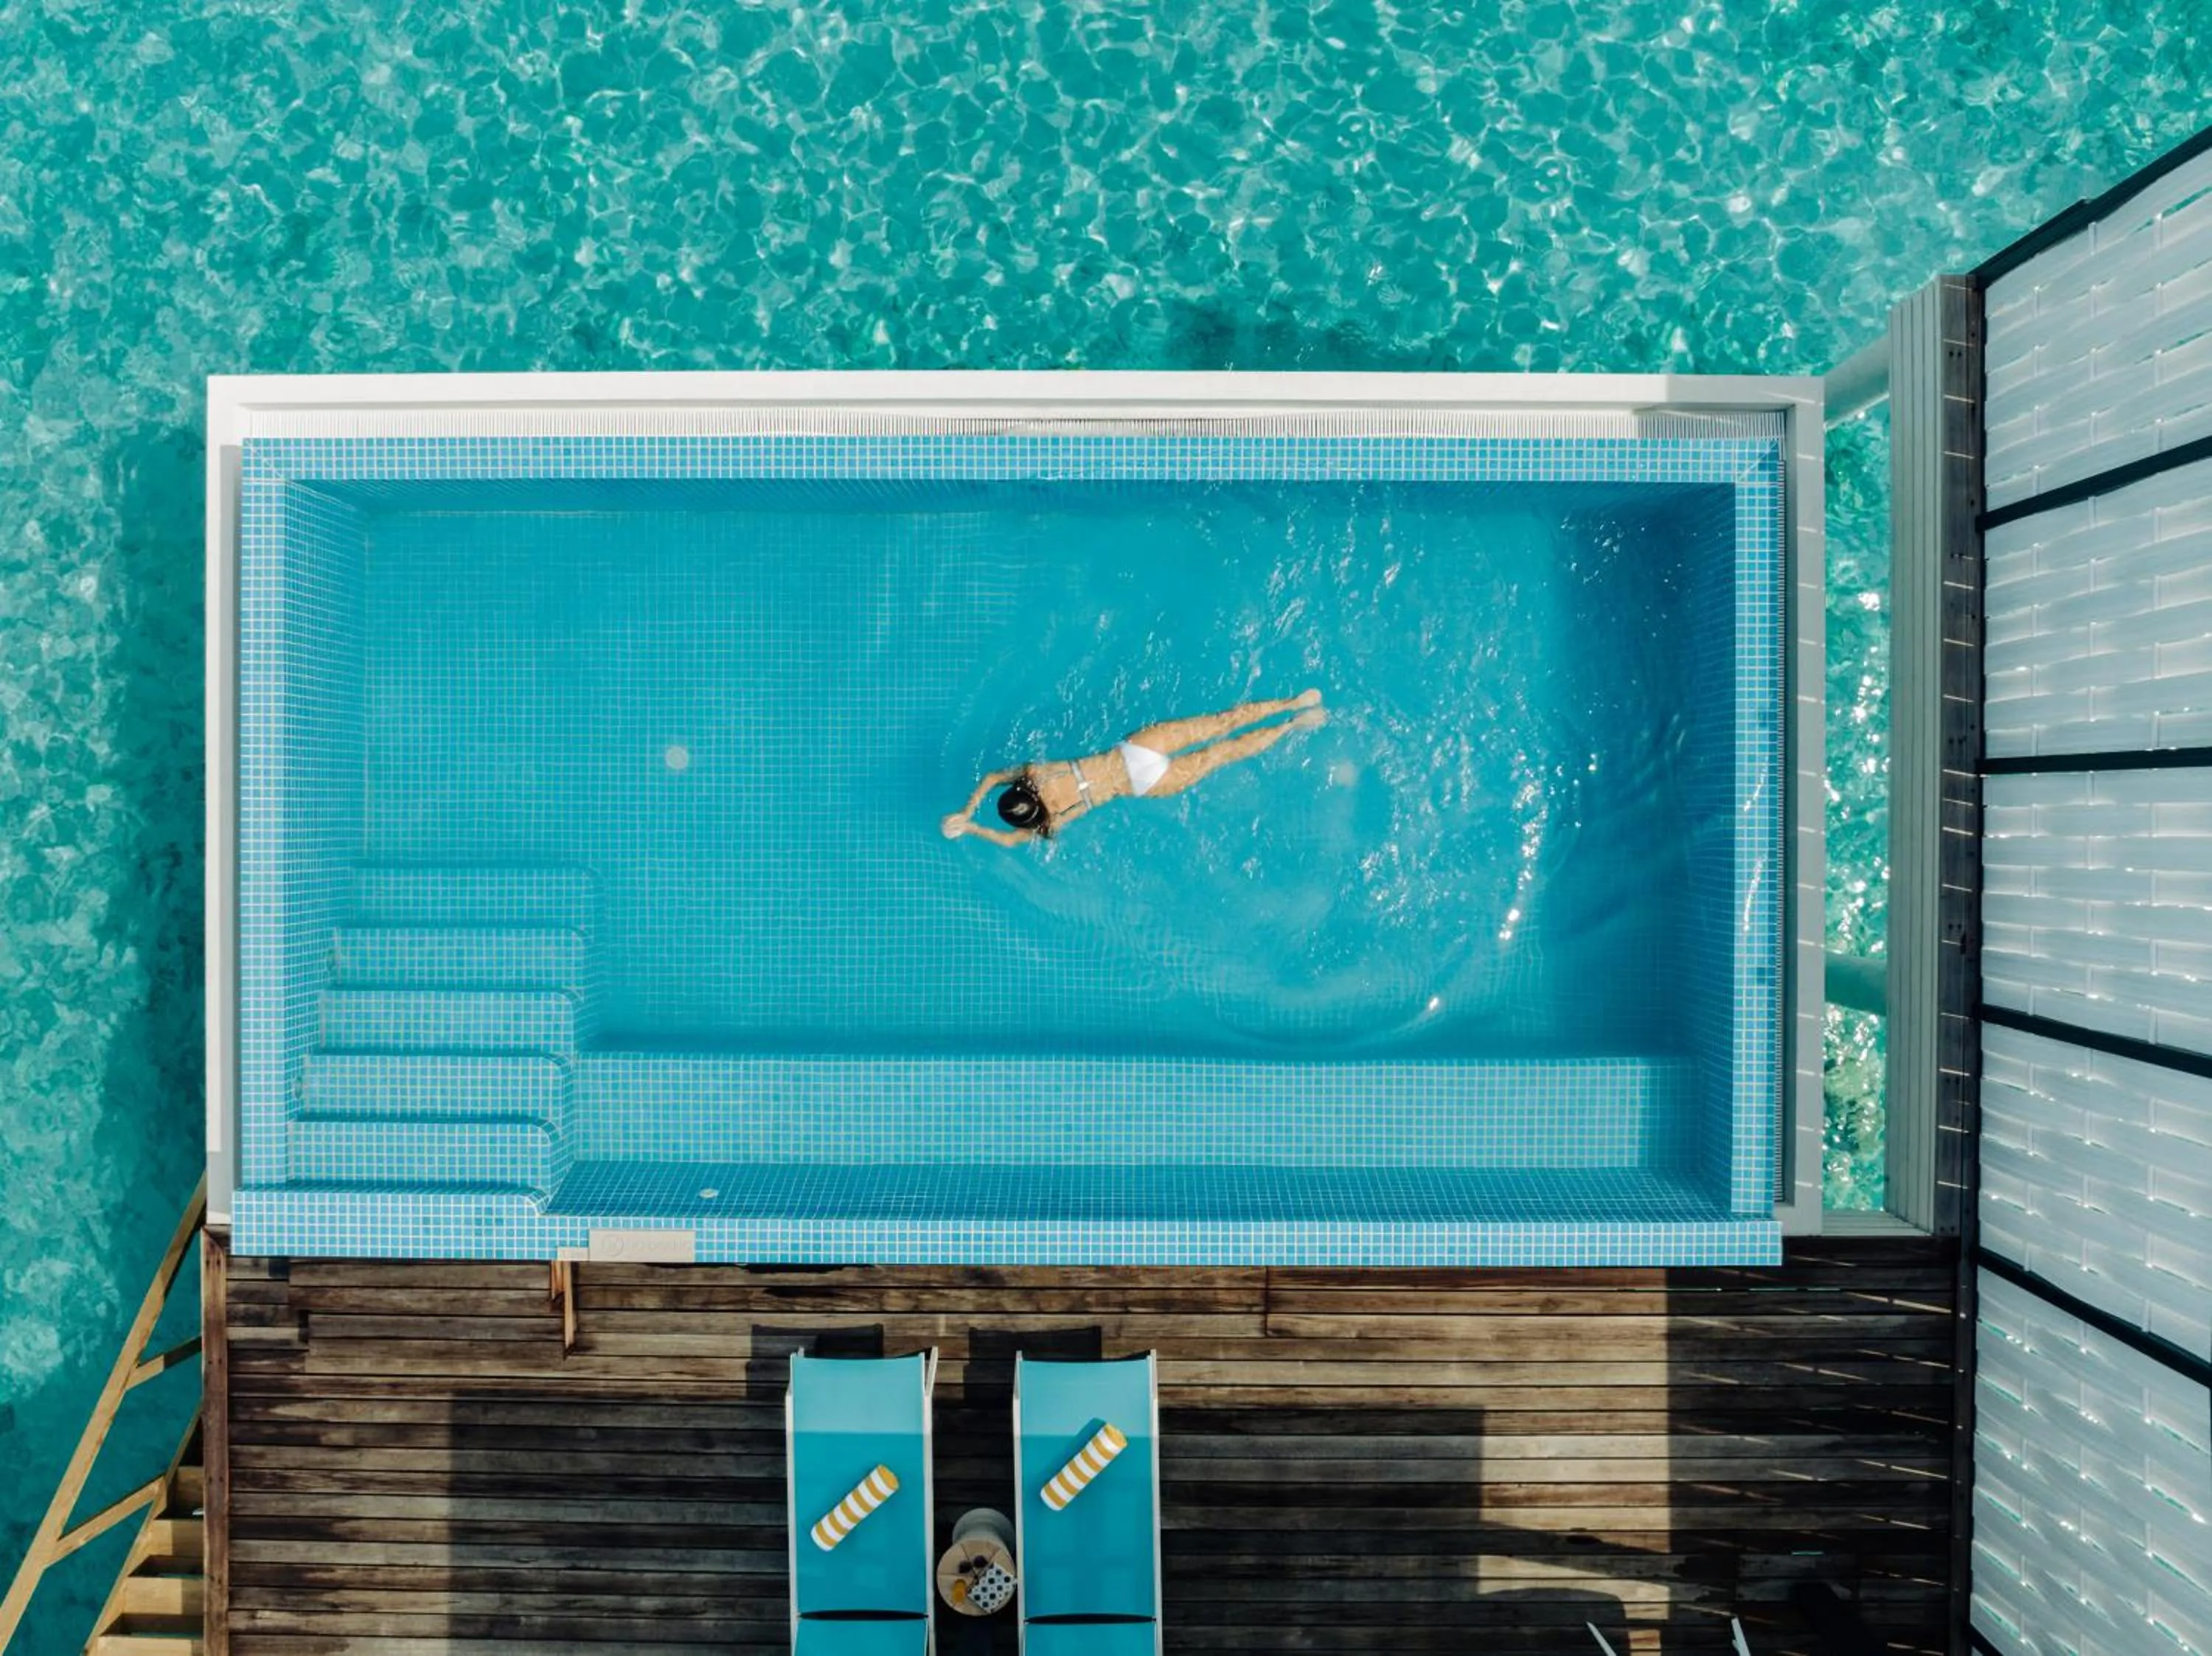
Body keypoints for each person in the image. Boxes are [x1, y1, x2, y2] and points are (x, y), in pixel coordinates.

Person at [942, 689, 1326, 846]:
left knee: (1223, 754)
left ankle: (1292, 726)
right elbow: (993, 776)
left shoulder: (1052, 822)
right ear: (1022, 790)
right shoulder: (1036, 774)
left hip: (1145, 783)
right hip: (1135, 751)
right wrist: (968, 807)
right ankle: (1291, 703)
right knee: (1220, 722)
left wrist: (972, 828)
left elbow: (1009, 841)